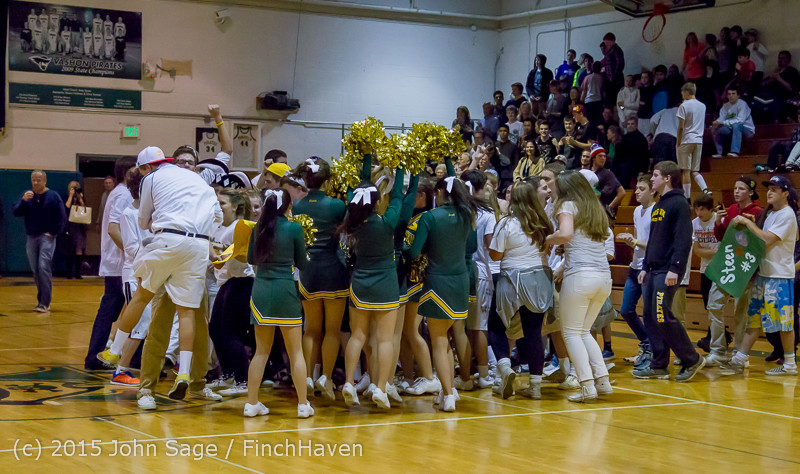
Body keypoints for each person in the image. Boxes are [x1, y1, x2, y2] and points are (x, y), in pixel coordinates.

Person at [98, 146, 223, 409]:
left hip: (166, 245)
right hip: (197, 249)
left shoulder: (152, 180)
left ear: (145, 168)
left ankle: (116, 351)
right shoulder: (199, 182)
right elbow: (216, 218)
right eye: (183, 161)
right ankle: (180, 374)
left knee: (152, 309)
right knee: (187, 318)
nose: (186, 166)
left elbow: (144, 222)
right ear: (171, 162)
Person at [341, 161, 417, 409]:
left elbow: (356, 190)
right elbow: (398, 196)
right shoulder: (388, 222)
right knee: (385, 340)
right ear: (375, 203)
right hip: (386, 284)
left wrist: (365, 159)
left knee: (358, 336)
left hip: (360, 283)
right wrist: (403, 168)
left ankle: (350, 383)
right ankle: (381, 388)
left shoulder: (352, 223)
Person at [243, 189, 314, 417]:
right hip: (285, 290)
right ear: (286, 206)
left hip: (262, 290)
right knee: (296, 353)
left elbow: (251, 259)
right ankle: (303, 404)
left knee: (261, 352)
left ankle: (252, 404)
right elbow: (302, 262)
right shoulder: (294, 228)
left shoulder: (258, 227)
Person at [408, 175, 476, 411]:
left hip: (437, 282)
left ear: (439, 193)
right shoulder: (467, 214)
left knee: (437, 340)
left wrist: (404, 246)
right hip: (461, 282)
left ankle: (447, 394)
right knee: (445, 339)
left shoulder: (430, 217)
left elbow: (415, 252)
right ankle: (451, 390)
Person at [634, 161, 705, 381]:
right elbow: (654, 240)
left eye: (655, 175)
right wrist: (645, 266)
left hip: (667, 271)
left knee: (661, 315)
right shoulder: (659, 205)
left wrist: (675, 269)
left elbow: (683, 240)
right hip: (653, 270)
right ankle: (658, 364)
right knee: (651, 318)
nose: (652, 179)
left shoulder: (679, 204)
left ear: (667, 178)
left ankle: (692, 359)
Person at [545, 170, 613, 402]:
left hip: (580, 276)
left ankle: (586, 386)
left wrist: (547, 240)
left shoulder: (567, 205)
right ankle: (602, 382)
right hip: (604, 277)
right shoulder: (595, 208)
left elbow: (565, 234)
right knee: (583, 331)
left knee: (571, 333)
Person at [721, 175, 798, 376]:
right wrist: (754, 222)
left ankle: (790, 363)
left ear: (786, 194)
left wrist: (748, 225)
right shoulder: (772, 213)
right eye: (768, 188)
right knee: (753, 319)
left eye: (775, 189)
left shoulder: (787, 215)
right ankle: (739, 359)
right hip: (764, 275)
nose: (770, 192)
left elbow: (766, 240)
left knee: (784, 323)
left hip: (779, 277)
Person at [489, 180, 554, 399]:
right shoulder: (543, 222)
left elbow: (495, 256)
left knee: (496, 326)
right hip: (539, 278)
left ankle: (505, 368)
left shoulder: (507, 223)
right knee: (533, 331)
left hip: (512, 279)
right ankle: (535, 385)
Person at [292, 158, 349, 400]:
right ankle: (325, 377)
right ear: (327, 181)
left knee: (311, 329)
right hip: (334, 270)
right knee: (333, 330)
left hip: (308, 272)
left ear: (305, 179)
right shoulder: (337, 206)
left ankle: (305, 377)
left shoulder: (296, 206)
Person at [83, 158, 135, 369]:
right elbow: (116, 229)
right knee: (125, 308)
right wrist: (132, 251)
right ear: (128, 172)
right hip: (119, 262)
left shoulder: (118, 192)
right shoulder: (123, 194)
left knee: (113, 309)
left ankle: (99, 354)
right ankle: (101, 355)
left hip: (117, 261)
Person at [207, 188, 255, 396]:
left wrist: (216, 254)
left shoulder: (240, 227)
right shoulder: (219, 228)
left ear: (235, 207)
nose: (219, 208)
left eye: (222, 203)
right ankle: (227, 375)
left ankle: (242, 380)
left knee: (230, 332)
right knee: (215, 329)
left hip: (242, 282)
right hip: (227, 283)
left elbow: (231, 256)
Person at [111, 169, 152, 388]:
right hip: (134, 274)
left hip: (151, 272)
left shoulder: (153, 211)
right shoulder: (128, 214)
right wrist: (157, 245)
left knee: (148, 323)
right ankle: (120, 370)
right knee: (140, 322)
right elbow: (131, 248)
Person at [462, 171, 497, 389]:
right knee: (480, 328)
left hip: (462, 271)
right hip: (482, 272)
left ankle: (466, 371)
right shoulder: (487, 213)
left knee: (464, 328)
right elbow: (491, 246)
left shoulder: (459, 209)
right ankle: (484, 374)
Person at [12, 171, 67, 312]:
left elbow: (62, 216)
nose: (35, 183)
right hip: (31, 236)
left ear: (44, 181)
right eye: (33, 180)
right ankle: (41, 299)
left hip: (47, 237)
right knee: (35, 269)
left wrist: (54, 232)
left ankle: (45, 303)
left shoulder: (53, 196)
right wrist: (22, 201)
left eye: (38, 180)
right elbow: (16, 212)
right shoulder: (27, 195)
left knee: (43, 266)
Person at [616, 174, 655, 365]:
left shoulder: (657, 211)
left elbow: (656, 244)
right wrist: (632, 241)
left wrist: (636, 242)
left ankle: (653, 350)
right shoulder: (637, 210)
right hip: (634, 266)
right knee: (626, 310)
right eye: (637, 188)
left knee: (649, 313)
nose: (637, 192)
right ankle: (646, 342)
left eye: (642, 189)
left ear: (652, 190)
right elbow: (640, 240)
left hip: (649, 269)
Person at [676, 82, 709, 198]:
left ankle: (687, 197)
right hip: (698, 140)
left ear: (686, 92)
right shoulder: (702, 105)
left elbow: (681, 127)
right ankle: (705, 189)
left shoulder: (683, 106)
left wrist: (678, 142)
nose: (681, 95)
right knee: (695, 170)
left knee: (685, 170)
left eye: (682, 92)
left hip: (686, 139)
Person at [712, 86, 754, 158]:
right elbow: (721, 118)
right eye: (729, 94)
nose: (731, 96)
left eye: (733, 94)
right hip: (731, 129)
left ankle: (734, 151)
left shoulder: (742, 104)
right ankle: (719, 152)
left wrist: (724, 123)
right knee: (715, 128)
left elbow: (740, 120)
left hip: (747, 130)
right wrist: (717, 122)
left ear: (738, 95)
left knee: (736, 125)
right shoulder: (725, 106)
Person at [589, 144, 625, 221]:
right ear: (593, 158)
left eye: (604, 156)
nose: (603, 158)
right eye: (600, 156)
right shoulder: (587, 172)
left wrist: (609, 208)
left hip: (600, 212)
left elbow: (621, 192)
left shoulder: (608, 174)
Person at [64, 181, 88, 279]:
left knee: (79, 249)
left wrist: (80, 198)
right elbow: (66, 208)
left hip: (79, 226)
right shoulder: (67, 197)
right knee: (69, 249)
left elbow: (85, 210)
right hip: (69, 226)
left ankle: (78, 272)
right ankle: (69, 272)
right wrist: (71, 196)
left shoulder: (81, 198)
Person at [620, 117, 650, 188]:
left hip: (638, 169)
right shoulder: (624, 138)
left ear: (636, 125)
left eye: (632, 124)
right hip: (626, 170)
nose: (630, 126)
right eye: (628, 124)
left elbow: (645, 156)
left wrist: (643, 170)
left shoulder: (641, 139)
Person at [602, 32, 625, 107]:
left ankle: (619, 116)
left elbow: (620, 64)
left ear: (613, 41)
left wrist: (614, 77)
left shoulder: (616, 50)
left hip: (615, 81)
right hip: (610, 80)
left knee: (617, 101)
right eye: (605, 43)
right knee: (610, 102)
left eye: (608, 43)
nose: (607, 45)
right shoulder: (608, 52)